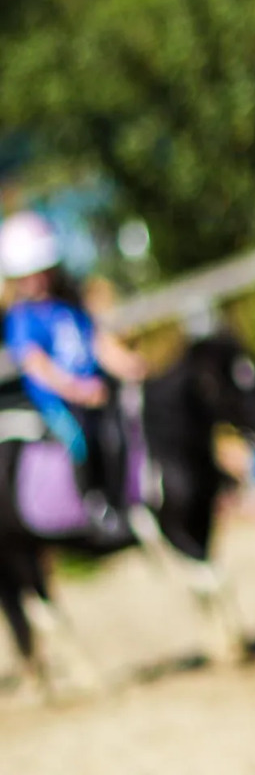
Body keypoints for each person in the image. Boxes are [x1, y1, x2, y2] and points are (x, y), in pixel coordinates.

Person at [1, 212, 146, 542]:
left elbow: (97, 342)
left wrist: (128, 365)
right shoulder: (22, 319)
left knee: (126, 426)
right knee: (79, 440)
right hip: (58, 403)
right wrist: (76, 390)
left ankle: (133, 493)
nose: (38, 279)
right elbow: (38, 366)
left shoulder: (68, 304)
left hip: (96, 388)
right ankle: (97, 505)